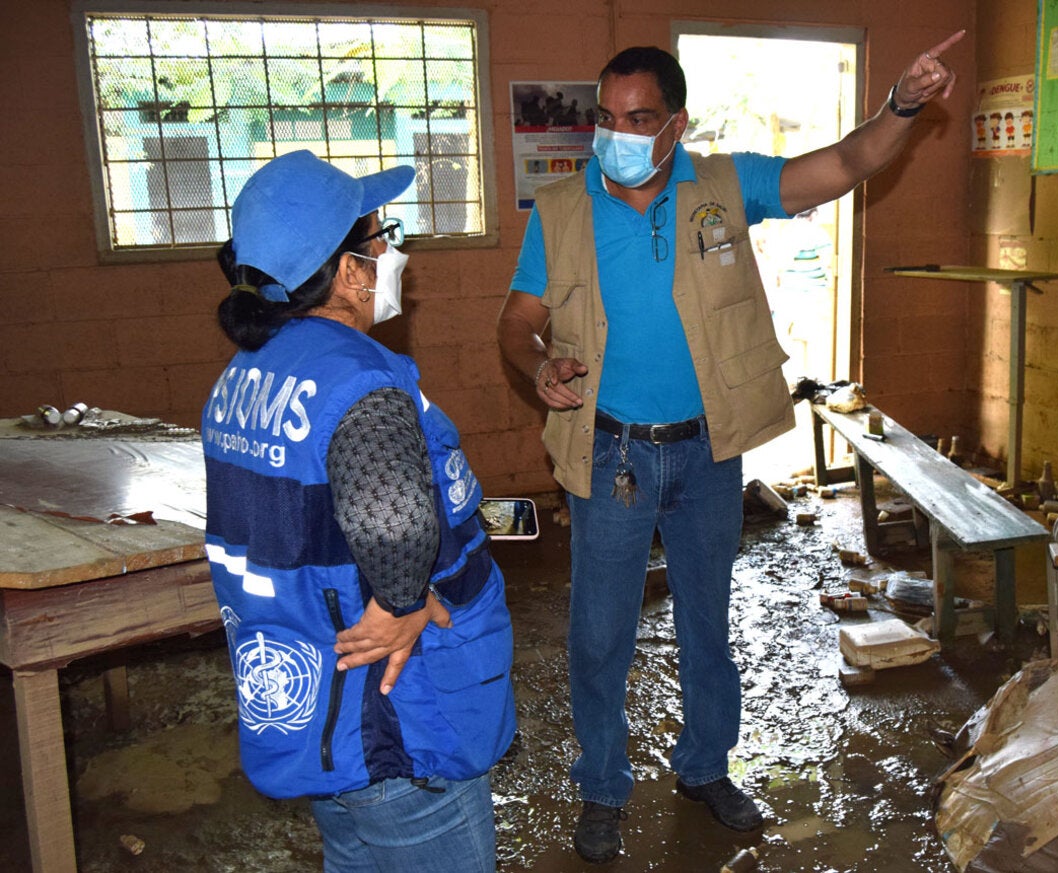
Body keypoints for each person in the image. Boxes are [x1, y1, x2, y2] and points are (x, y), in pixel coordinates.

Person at [496, 35, 964, 862]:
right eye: (606, 117)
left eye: (638, 118)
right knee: (599, 636)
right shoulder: (562, 209)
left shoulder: (722, 185)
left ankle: (706, 766)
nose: (617, 134)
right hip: (611, 456)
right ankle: (602, 783)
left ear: (676, 124)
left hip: (709, 454)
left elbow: (847, 162)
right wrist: (539, 364)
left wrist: (901, 105)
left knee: (707, 624)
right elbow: (517, 319)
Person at [202, 150, 515, 872]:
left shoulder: (244, 377)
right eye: (384, 238)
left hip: (319, 709)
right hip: (397, 721)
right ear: (349, 271)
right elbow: (394, 520)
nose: (394, 254)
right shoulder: (358, 379)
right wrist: (401, 600)